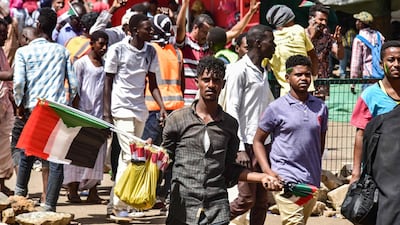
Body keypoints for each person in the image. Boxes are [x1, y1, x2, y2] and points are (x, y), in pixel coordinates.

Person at [162, 56, 278, 225]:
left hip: (216, 209)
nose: (211, 85)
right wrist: (151, 158)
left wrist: (262, 177)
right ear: (197, 82)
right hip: (183, 209)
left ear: (222, 85)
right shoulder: (178, 120)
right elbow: (165, 159)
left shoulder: (230, 125)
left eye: (216, 80)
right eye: (206, 80)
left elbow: (229, 171)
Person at [13, 7, 78, 212]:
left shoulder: (24, 52)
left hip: (35, 108)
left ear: (38, 26)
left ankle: (19, 197)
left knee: (27, 154)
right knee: (56, 160)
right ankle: (49, 206)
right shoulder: (62, 51)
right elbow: (74, 85)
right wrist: (67, 105)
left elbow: (19, 83)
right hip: (57, 110)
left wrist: (20, 105)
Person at [103, 13, 166, 217]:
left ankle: (122, 202)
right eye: (147, 29)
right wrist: (106, 113)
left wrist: (162, 107)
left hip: (140, 110)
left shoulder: (150, 52)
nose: (152, 31)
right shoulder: (118, 50)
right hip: (120, 108)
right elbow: (108, 82)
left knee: (129, 157)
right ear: (134, 30)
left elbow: (153, 84)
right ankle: (120, 207)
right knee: (130, 155)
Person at [253, 54, 328, 225]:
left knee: (301, 220)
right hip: (285, 178)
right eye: (298, 74)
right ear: (287, 78)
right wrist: (268, 170)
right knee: (294, 221)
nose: (304, 78)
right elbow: (258, 141)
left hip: (311, 179)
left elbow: (320, 142)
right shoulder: (276, 108)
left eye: (307, 74)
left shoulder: (320, 107)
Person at [226, 25, 275, 225]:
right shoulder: (239, 70)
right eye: (271, 42)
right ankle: (211, 221)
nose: (275, 46)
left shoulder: (263, 71)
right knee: (246, 199)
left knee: (262, 201)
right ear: (258, 43)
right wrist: (238, 148)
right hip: (245, 144)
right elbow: (232, 108)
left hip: (263, 143)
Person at [176, 0, 261, 105]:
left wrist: (250, 13)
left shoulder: (210, 44)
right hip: (186, 101)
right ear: (195, 28)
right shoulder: (186, 42)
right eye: (204, 32)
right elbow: (179, 28)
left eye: (208, 33)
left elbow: (234, 32)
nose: (207, 36)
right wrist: (185, 5)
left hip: (204, 102)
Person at [141, 13, 184, 207]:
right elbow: (181, 81)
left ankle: (147, 194)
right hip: (176, 109)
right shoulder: (176, 52)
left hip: (154, 108)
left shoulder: (150, 51)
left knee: (150, 154)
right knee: (170, 155)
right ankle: (164, 195)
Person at [63, 30, 109, 204]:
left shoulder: (105, 65)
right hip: (83, 114)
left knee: (97, 153)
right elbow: (75, 90)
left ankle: (93, 191)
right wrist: (77, 115)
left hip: (98, 116)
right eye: (100, 44)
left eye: (106, 44)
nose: (104, 48)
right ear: (91, 44)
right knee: (77, 153)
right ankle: (73, 190)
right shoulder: (81, 64)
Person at [350, 40, 400, 184]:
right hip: (380, 169)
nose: (396, 64)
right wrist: (356, 173)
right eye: (391, 60)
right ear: (380, 64)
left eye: (399, 60)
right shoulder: (370, 96)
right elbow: (360, 135)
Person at [266, 4, 318, 96]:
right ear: (288, 20)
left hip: (287, 92)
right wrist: (314, 77)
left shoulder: (269, 40)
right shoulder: (299, 30)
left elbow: (263, 65)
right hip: (307, 88)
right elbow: (313, 55)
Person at [306, 3, 344, 100]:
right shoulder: (302, 34)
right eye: (321, 19)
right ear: (311, 19)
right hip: (305, 79)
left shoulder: (326, 37)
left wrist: (339, 42)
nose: (324, 23)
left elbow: (340, 56)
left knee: (319, 111)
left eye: (325, 20)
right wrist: (312, 37)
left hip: (322, 81)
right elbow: (301, 55)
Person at [350, 11, 385, 92]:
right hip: (381, 74)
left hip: (368, 75)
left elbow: (355, 63)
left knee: (368, 102)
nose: (356, 23)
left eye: (358, 21)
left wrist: (353, 82)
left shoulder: (359, 39)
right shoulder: (379, 35)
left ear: (361, 23)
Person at [0, 18, 15, 196]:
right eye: (2, 34)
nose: (4, 38)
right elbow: (6, 74)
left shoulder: (2, 52)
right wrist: (11, 74)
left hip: (4, 104)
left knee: (4, 146)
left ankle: (1, 185)